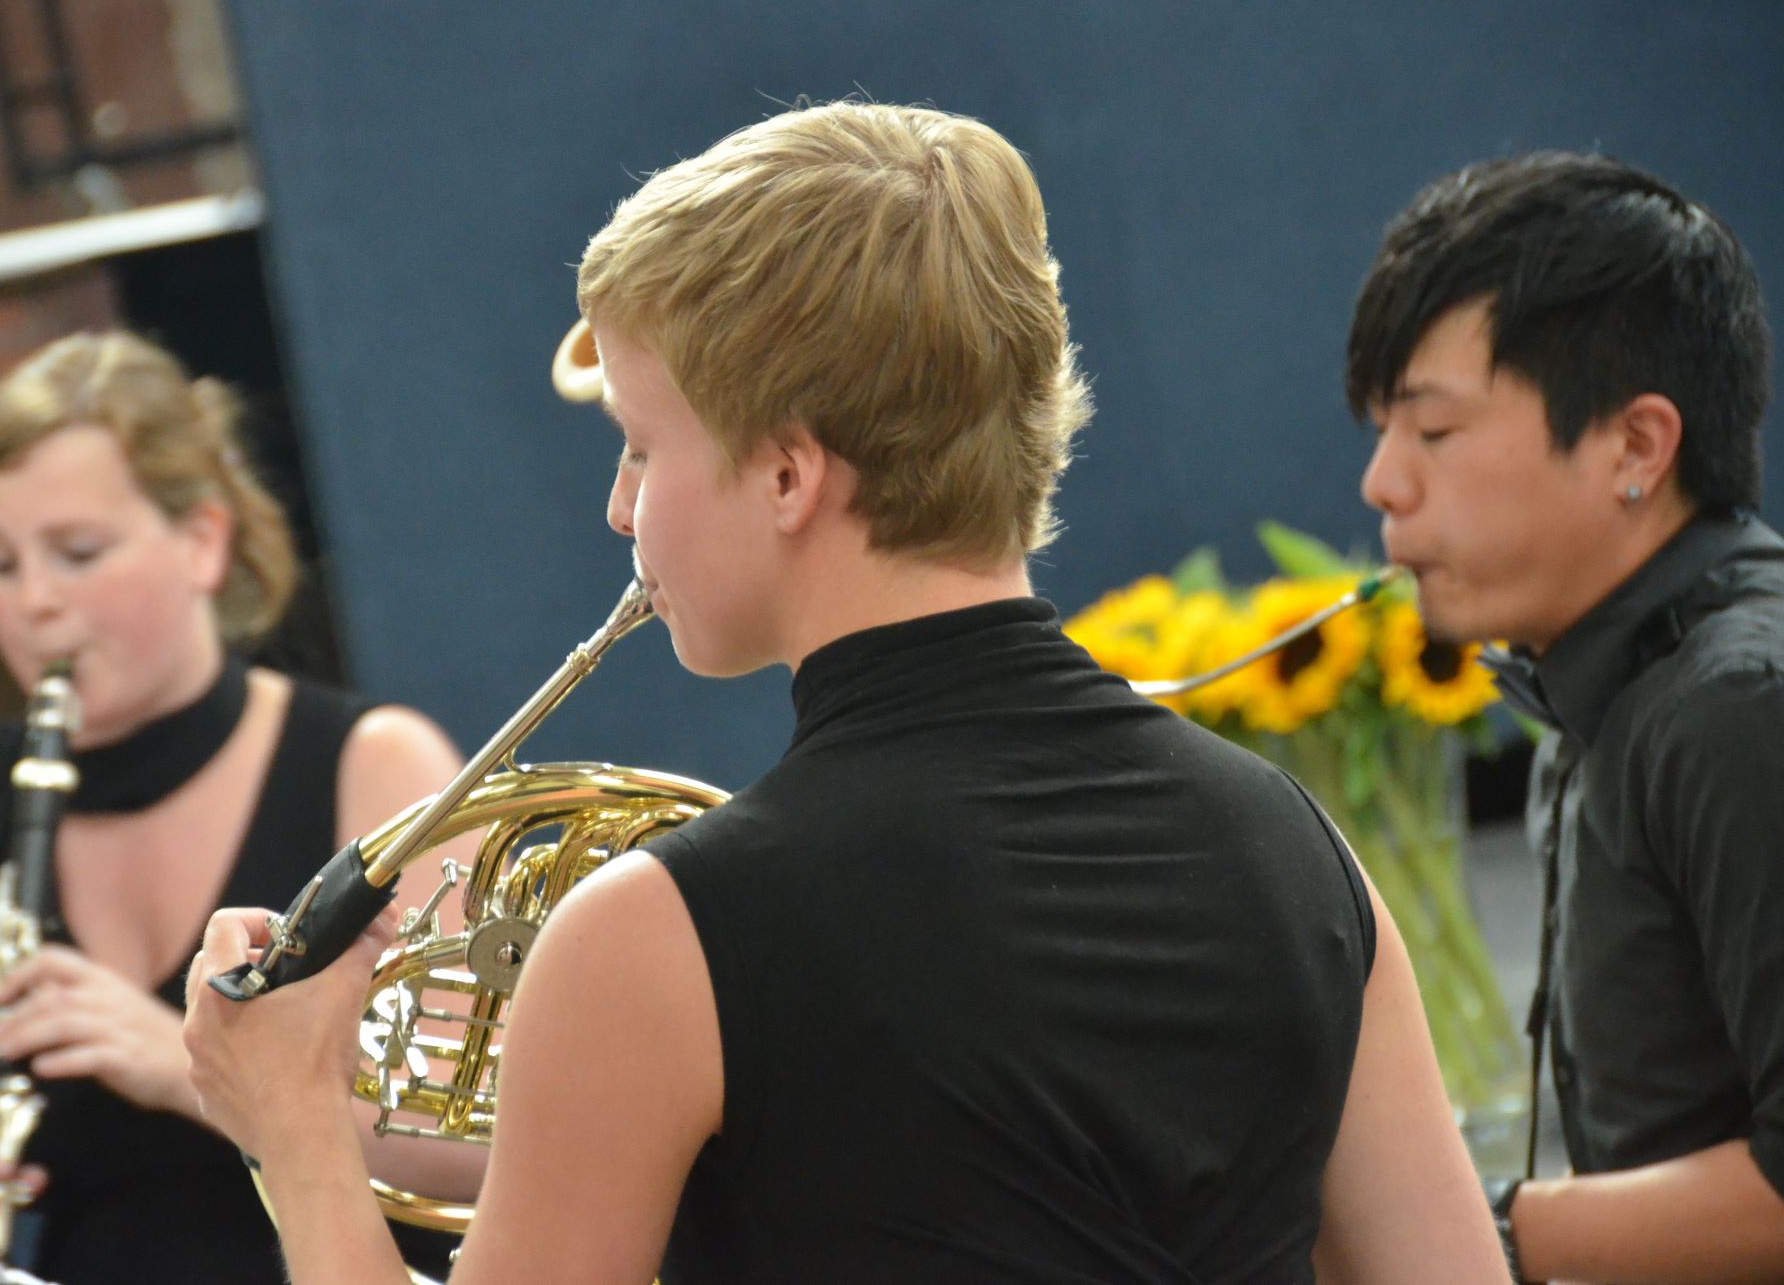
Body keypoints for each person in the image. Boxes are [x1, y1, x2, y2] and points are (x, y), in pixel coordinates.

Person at [183, 100, 1506, 1283]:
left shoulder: (655, 937)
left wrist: (298, 1129)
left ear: (787, 476)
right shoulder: (1294, 847)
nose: (618, 506)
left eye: (644, 447)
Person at [0, 331, 479, 1285]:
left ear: (202, 540)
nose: (35, 602)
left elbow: (482, 1155)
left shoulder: (374, 767)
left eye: (78, 551)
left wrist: (190, 1070)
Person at [1348, 152, 1784, 1283]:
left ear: (1635, 447)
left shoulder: (1740, 707)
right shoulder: (1607, 683)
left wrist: (1477, 1228)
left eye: (1432, 434)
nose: (1380, 485)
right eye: (1380, 432)